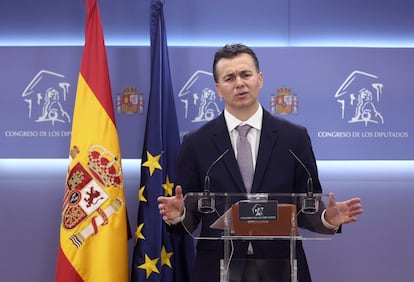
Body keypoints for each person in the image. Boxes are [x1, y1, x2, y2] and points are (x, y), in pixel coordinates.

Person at [158, 43, 363, 282]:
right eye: (229, 78)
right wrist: (179, 215)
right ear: (218, 89)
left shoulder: (294, 138)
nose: (239, 83)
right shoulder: (196, 143)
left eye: (246, 74)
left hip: (282, 268)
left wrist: (327, 219)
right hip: (219, 269)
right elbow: (190, 216)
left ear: (260, 79)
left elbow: (307, 206)